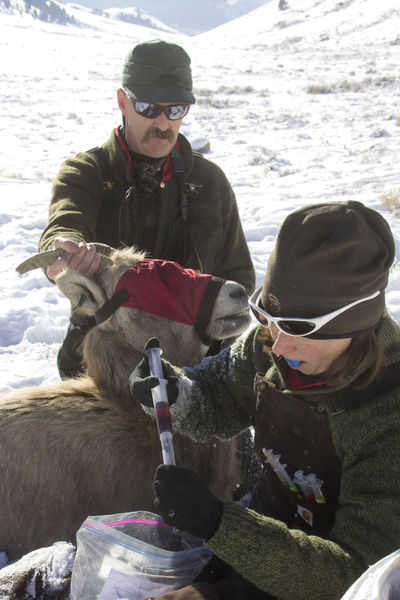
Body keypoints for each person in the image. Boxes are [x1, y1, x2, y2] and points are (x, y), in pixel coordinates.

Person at [130, 201, 400, 600]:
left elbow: (354, 578)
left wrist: (218, 522)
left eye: (297, 326)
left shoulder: (387, 418)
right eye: (266, 315)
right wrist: (175, 393)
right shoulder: (276, 345)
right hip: (255, 536)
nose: (277, 341)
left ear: (354, 321)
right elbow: (218, 394)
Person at [38, 39, 255, 379]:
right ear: (123, 101)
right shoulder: (87, 172)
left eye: (176, 110)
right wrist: (66, 249)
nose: (163, 123)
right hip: (106, 353)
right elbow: (65, 222)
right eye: (149, 108)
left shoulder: (209, 182)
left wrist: (207, 334)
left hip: (201, 361)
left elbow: (239, 276)